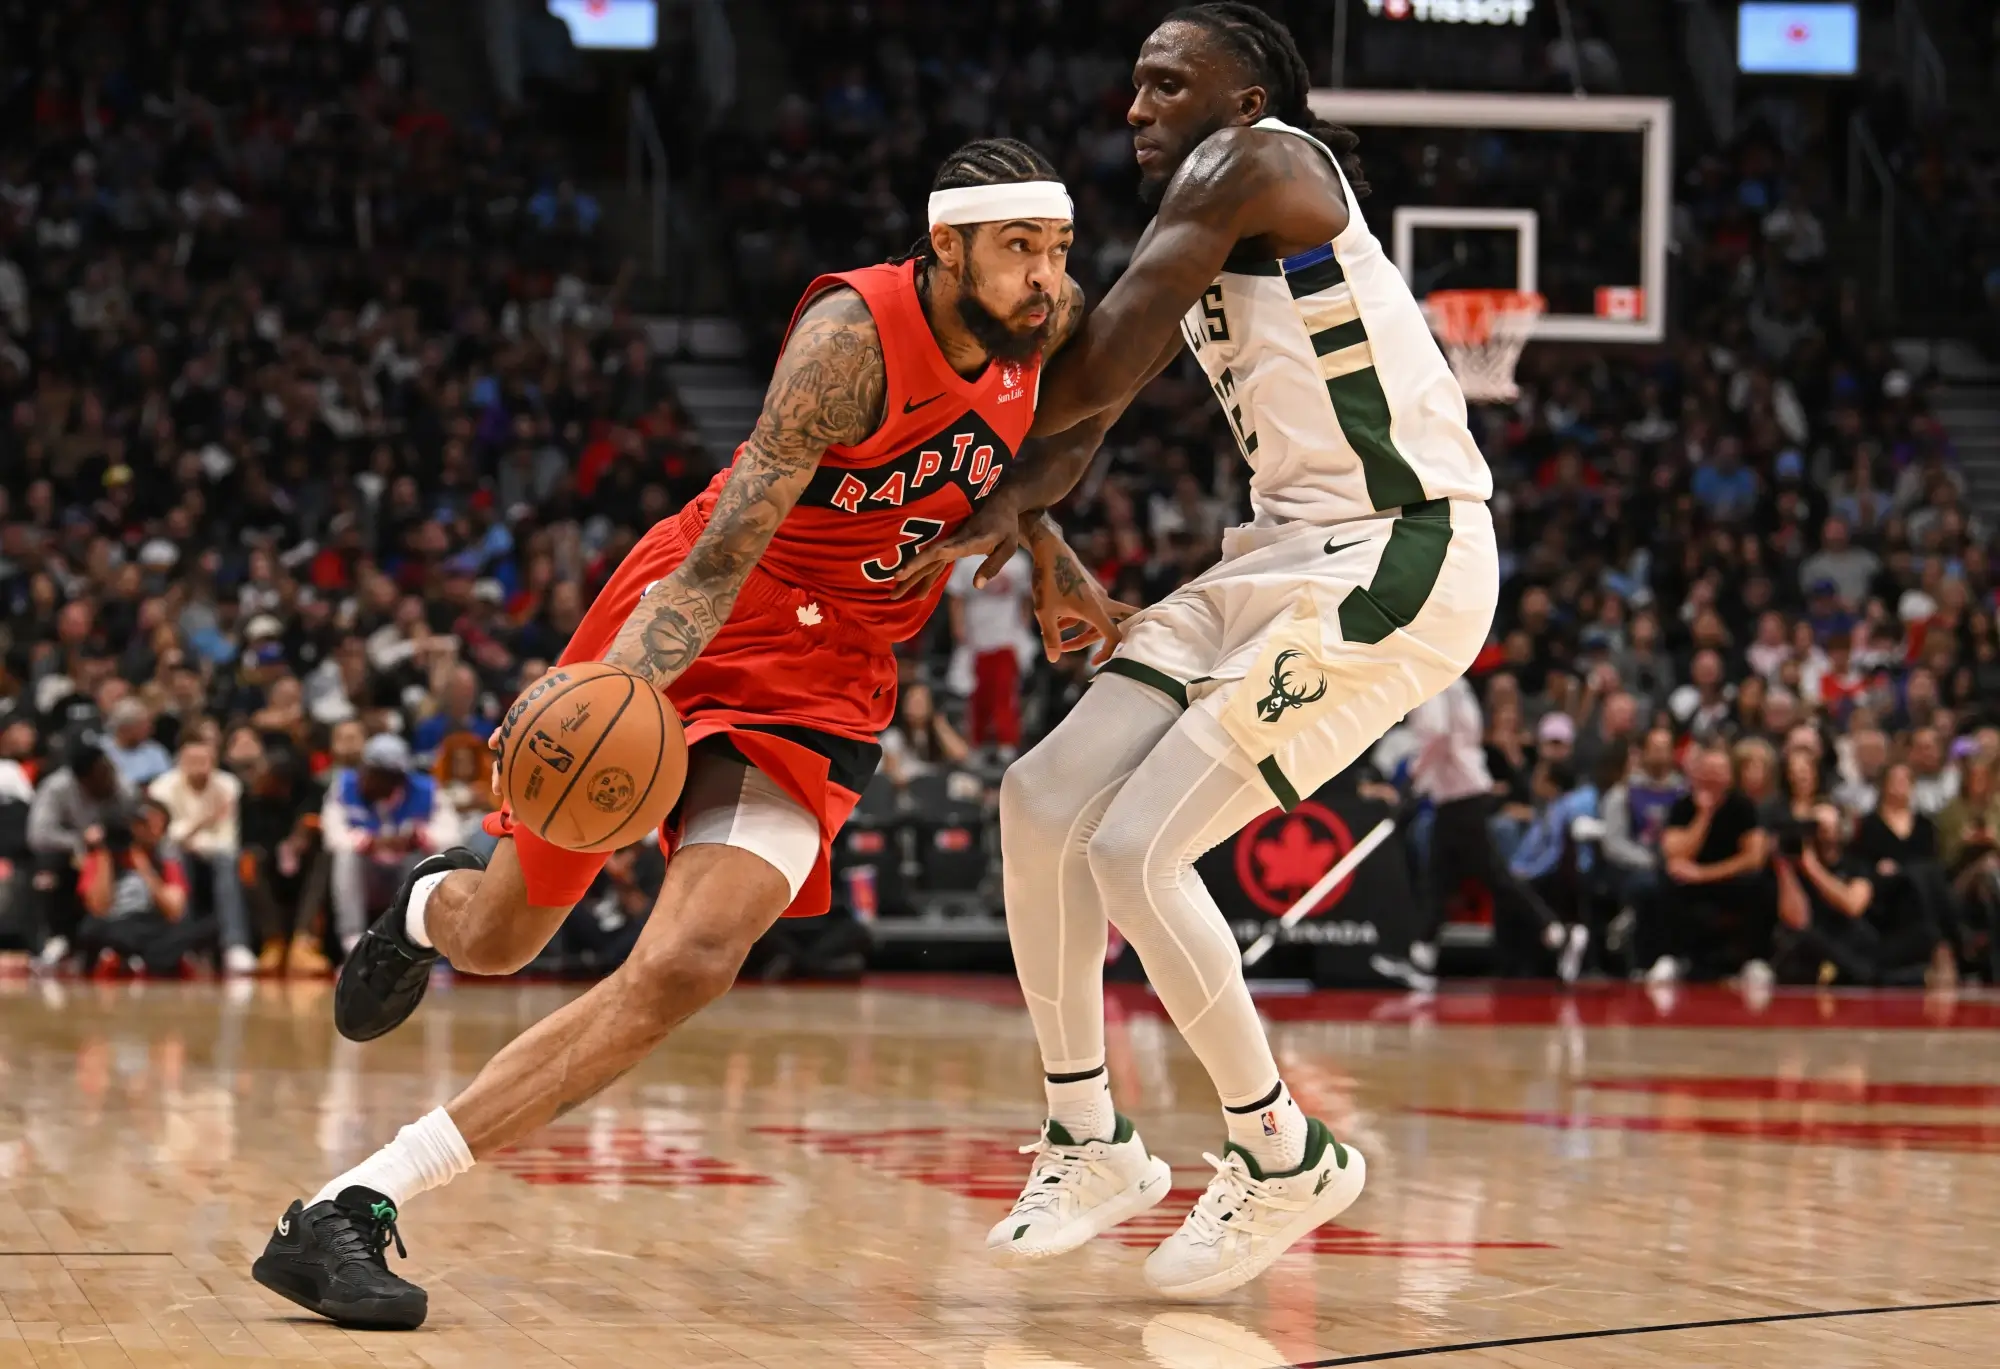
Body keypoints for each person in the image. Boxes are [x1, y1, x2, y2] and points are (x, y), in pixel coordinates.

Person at [253, 140, 1126, 1330]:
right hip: (698, 619)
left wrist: (1047, 550)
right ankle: (424, 908)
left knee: (685, 963)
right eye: (1019, 249)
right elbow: (720, 556)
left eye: (1058, 250)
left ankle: (353, 1204)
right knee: (504, 937)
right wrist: (602, 696)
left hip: (827, 680)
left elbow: (1054, 441)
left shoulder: (1045, 321)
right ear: (945, 249)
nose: (1045, 276)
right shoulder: (849, 345)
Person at [896, 6, 1497, 1298]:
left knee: (1135, 847)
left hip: (1405, 548)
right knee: (1040, 797)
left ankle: (1284, 1152)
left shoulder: (1263, 161)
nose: (1136, 106)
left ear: (1245, 100)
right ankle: (1088, 1135)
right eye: (1134, 84)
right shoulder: (1214, 225)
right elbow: (1093, 401)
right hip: (1280, 553)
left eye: (1168, 83)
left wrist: (964, 466)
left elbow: (1095, 360)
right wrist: (1023, 515)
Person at [321, 733, 461, 952]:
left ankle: (419, 943)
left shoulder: (427, 789)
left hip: (407, 873)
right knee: (345, 857)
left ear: (397, 777)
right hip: (368, 875)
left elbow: (451, 834)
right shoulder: (345, 785)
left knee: (434, 860)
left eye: (377, 774)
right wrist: (369, 842)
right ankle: (352, 943)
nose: (367, 778)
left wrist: (419, 837)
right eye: (366, 769)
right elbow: (332, 834)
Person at [1648, 742, 1771, 984]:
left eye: (1719, 771)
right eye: (1708, 771)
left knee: (1761, 885)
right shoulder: (1683, 806)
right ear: (1697, 774)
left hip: (1727, 878)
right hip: (1690, 882)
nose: (1713, 777)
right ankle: (1670, 958)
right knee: (1663, 882)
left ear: (1729, 776)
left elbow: (1754, 858)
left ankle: (1756, 960)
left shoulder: (1743, 806)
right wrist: (1704, 815)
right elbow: (1674, 853)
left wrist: (1704, 873)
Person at [147, 738, 257, 974]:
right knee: (174, 855)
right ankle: (182, 943)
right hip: (176, 852)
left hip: (214, 852)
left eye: (205, 760)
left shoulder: (229, 786)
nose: (199, 766)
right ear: (180, 763)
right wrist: (201, 822)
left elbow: (228, 838)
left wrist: (193, 840)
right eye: (192, 761)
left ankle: (234, 944)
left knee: (227, 860)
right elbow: (165, 836)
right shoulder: (162, 788)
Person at [71, 798, 212, 977]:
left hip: (150, 923)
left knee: (191, 930)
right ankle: (143, 959)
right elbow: (98, 908)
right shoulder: (100, 857)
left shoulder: (166, 863)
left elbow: (174, 910)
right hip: (112, 924)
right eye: (141, 824)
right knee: (90, 929)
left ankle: (129, 959)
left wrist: (143, 865)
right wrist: (105, 856)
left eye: (155, 825)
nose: (146, 830)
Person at [24, 740, 132, 969]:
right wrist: (80, 840)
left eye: (109, 769)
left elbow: (133, 825)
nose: (108, 777)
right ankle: (54, 940)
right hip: (69, 854)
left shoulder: (121, 786)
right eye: (101, 774)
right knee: (46, 869)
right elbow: (38, 835)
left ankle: (111, 943)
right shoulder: (56, 788)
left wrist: (106, 836)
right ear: (83, 779)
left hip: (111, 853)